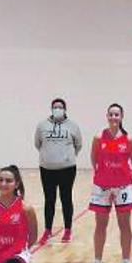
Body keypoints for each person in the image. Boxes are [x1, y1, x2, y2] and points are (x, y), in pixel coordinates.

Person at [88, 103, 132, 263]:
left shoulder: (129, 139)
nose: (114, 118)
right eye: (111, 114)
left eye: (117, 115)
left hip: (123, 187)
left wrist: (124, 178)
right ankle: (97, 262)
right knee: (100, 225)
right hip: (102, 186)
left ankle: (126, 262)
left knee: (124, 225)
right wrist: (103, 176)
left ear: (121, 117)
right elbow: (93, 158)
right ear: (107, 116)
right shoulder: (98, 137)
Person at [35, 98, 82, 245]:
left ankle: (68, 229)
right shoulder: (42, 126)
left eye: (60, 107)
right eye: (55, 107)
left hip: (67, 169)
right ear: (51, 109)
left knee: (66, 198)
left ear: (65, 109)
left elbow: (78, 144)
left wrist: (66, 157)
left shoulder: (73, 126)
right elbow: (38, 143)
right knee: (49, 200)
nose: (57, 109)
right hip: (47, 169)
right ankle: (47, 230)